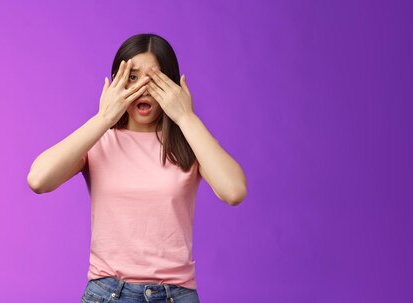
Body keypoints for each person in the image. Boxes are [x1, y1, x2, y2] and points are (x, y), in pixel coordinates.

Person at [26, 33, 248, 303]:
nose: (143, 87)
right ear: (116, 82)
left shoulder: (191, 142)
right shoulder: (99, 141)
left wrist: (186, 117)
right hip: (107, 293)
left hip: (175, 295)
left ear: (172, 84)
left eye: (154, 78)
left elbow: (234, 191)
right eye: (132, 76)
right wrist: (104, 118)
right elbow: (38, 179)